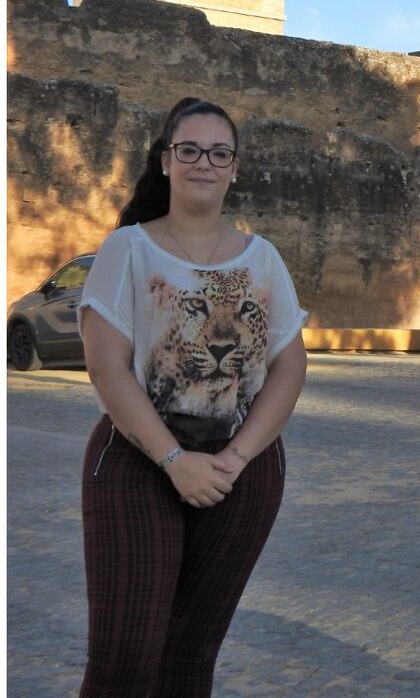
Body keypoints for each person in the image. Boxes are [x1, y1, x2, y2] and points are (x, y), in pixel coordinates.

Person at [78, 98, 308, 696]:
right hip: (138, 457)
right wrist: (174, 461)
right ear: (165, 161)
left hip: (243, 466)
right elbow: (107, 368)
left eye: (218, 152)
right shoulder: (127, 250)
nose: (203, 162)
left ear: (234, 168)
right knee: (123, 662)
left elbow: (288, 366)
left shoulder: (263, 258)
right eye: (189, 150)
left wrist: (236, 457)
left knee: (189, 658)